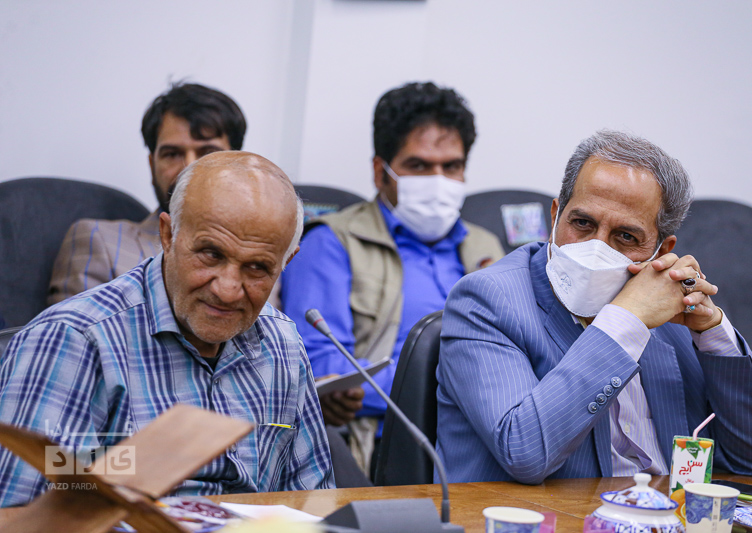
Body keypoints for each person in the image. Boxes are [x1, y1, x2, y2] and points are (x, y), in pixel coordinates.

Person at [436, 130, 752, 484]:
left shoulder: (670, 306)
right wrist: (626, 320)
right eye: (582, 223)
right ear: (556, 216)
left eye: (626, 236)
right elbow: (524, 452)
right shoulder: (486, 300)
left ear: (661, 251)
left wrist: (713, 333)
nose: (596, 248)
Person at [0, 152, 333, 507]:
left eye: (256, 268)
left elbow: (315, 503)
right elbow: (21, 514)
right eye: (211, 254)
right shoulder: (74, 341)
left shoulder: (283, 344)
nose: (227, 289)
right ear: (168, 234)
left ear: (286, 261)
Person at [280, 82, 505, 472]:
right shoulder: (332, 242)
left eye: (451, 166)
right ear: (379, 172)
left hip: (483, 443)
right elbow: (320, 365)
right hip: (383, 445)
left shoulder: (485, 246)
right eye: (418, 166)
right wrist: (452, 391)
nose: (437, 180)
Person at [47, 82, 246, 305]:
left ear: (238, 165)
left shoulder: (261, 256)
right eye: (172, 154)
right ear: (152, 166)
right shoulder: (98, 240)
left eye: (208, 153)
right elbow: (76, 327)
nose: (189, 167)